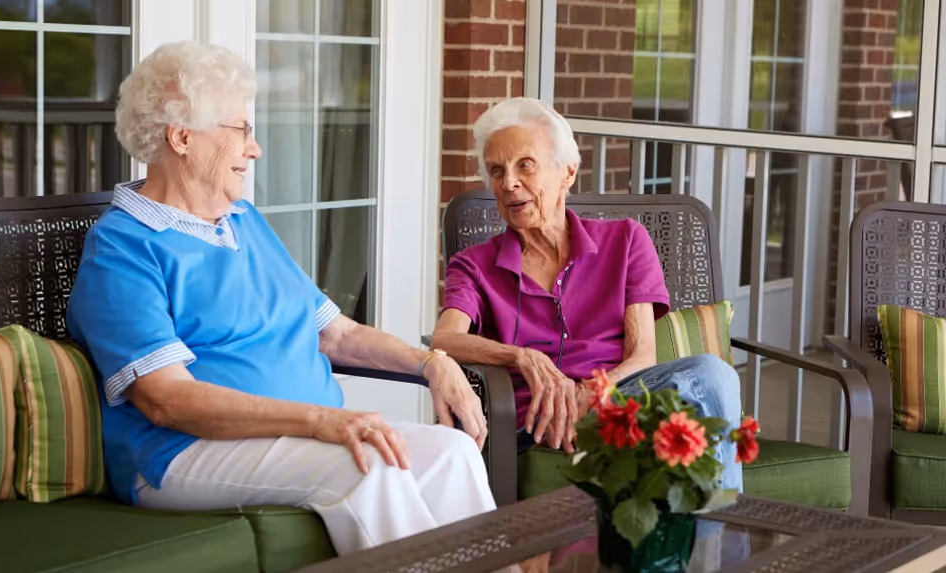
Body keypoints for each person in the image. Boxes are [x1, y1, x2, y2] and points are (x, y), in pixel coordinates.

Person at [65, 41, 495, 556]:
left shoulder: (244, 221)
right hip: (180, 453)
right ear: (182, 137)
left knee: (450, 451)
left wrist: (431, 362)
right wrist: (321, 421)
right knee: (369, 465)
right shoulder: (122, 248)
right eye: (241, 130)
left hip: (291, 436)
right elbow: (166, 400)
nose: (255, 148)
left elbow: (336, 333)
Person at [431, 97, 743, 491]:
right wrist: (521, 355)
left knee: (713, 375)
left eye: (524, 165)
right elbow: (445, 339)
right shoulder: (473, 265)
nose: (508, 182)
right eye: (496, 170)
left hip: (616, 402)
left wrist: (589, 395)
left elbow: (642, 355)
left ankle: (723, 535)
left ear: (567, 173)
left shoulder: (626, 240)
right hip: (530, 420)